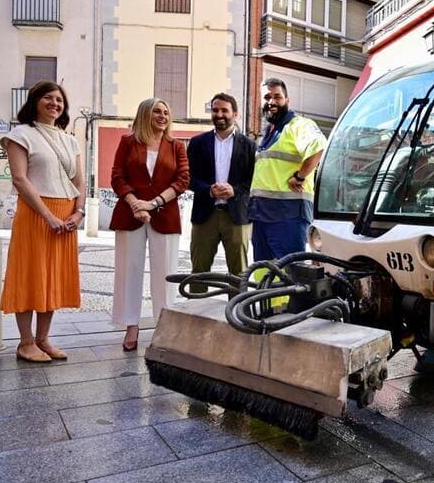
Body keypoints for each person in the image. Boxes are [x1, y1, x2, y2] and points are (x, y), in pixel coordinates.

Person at [0, 81, 85, 362]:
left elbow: (79, 181)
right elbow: (20, 179)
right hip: (36, 214)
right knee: (30, 275)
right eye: (48, 97)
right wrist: (47, 216)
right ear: (34, 101)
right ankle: (25, 343)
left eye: (59, 99)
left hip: (66, 215)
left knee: (52, 278)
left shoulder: (69, 139)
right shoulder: (20, 134)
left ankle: (43, 339)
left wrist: (78, 212)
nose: (54, 103)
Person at [109, 98, 189, 351]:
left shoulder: (176, 146)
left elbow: (182, 180)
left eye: (166, 112)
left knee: (165, 273)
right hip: (129, 213)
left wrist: (152, 204)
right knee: (128, 270)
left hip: (165, 214)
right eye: (157, 111)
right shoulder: (128, 142)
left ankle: (163, 327)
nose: (163, 116)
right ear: (145, 114)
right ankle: (131, 326)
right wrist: (135, 203)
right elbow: (117, 176)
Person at [250, 78, 326, 261]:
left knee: (291, 274)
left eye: (278, 96)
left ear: (287, 100)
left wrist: (300, 177)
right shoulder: (268, 132)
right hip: (262, 216)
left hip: (288, 217)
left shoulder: (299, 125)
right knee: (263, 273)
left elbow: (318, 146)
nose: (272, 101)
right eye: (267, 97)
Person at [187, 93, 256, 290]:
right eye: (215, 110)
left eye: (224, 110)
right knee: (199, 271)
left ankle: (236, 317)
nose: (219, 114)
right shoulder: (198, 143)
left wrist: (234, 190)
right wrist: (208, 190)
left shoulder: (249, 146)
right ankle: (196, 315)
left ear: (235, 114)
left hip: (237, 218)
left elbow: (253, 181)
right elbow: (188, 178)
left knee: (238, 273)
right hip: (204, 217)